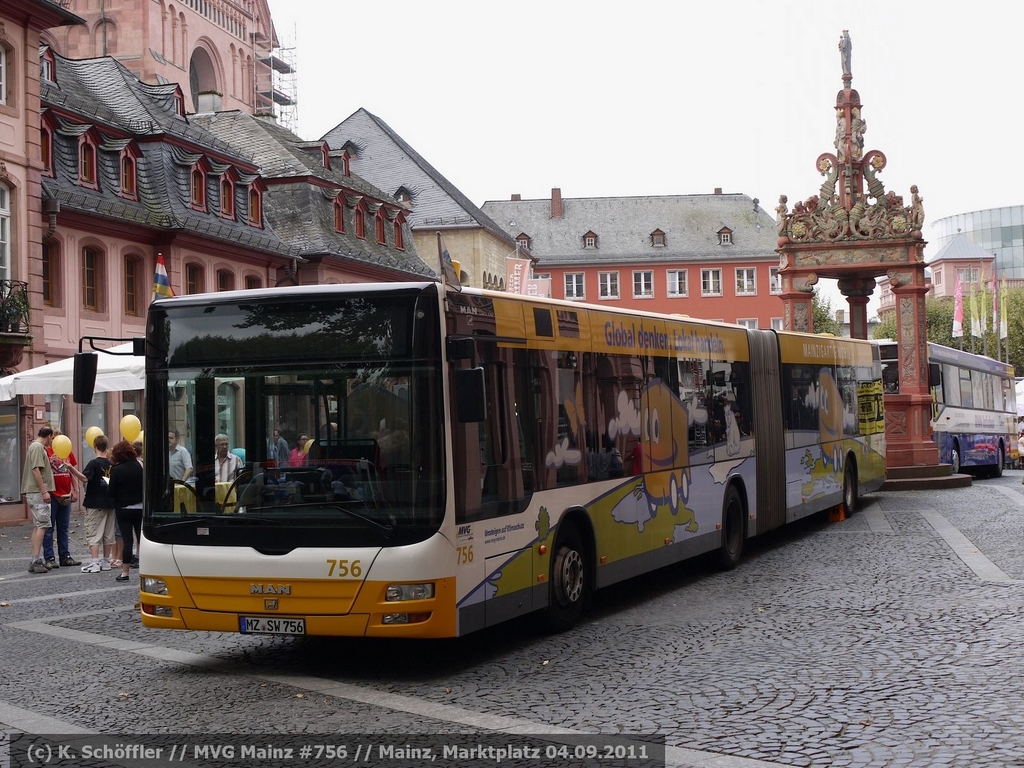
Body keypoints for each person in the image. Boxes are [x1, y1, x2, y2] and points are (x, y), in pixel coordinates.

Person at [43, 430, 87, 569]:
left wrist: (75, 489)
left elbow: (71, 471)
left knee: (64, 527)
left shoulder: (67, 451)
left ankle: (65, 556)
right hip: (52, 493)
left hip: (65, 493)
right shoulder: (46, 451)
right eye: (54, 438)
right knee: (49, 527)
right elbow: (41, 471)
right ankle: (49, 557)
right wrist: (50, 462)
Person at [107, 439, 143, 583]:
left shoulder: (116, 470)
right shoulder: (139, 466)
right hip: (140, 508)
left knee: (127, 541)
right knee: (142, 540)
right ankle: (145, 571)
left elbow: (111, 492)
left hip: (123, 510)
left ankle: (125, 572)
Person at [21, 426, 55, 574]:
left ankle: (35, 558)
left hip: (35, 492)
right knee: (42, 525)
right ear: (48, 436)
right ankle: (35, 560)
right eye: (52, 438)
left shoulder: (36, 447)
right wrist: (44, 491)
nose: (52, 441)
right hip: (37, 492)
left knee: (38, 525)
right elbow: (36, 469)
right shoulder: (37, 447)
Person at [81, 435, 115, 572]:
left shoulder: (93, 463)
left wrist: (71, 469)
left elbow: (85, 478)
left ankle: (95, 562)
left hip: (95, 503)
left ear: (95, 446)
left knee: (93, 532)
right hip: (110, 503)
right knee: (108, 533)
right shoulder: (112, 464)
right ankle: (106, 561)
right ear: (106, 447)